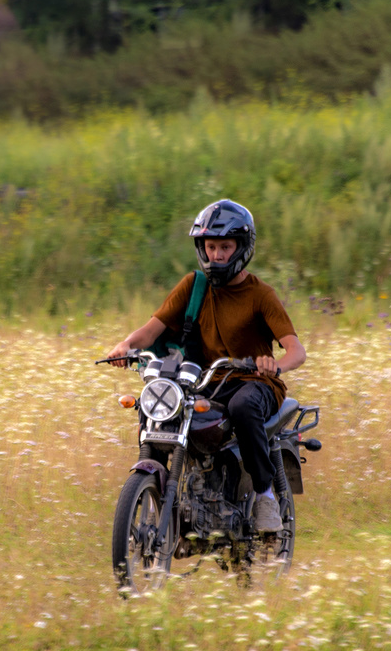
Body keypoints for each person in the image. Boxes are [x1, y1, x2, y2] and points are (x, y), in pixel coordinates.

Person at [104, 199, 306, 533]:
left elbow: (296, 351)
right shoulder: (193, 286)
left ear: (242, 247)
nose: (218, 255)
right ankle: (165, 488)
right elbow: (151, 330)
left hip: (255, 383)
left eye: (226, 246)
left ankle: (265, 494)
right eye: (211, 246)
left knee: (242, 406)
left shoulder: (261, 295)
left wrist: (276, 366)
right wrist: (125, 345)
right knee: (160, 406)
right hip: (208, 382)